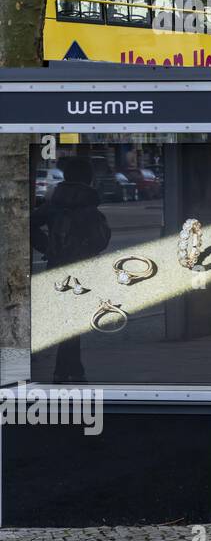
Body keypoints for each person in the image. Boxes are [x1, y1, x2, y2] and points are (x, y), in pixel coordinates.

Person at [29, 156, 113, 382]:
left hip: (55, 266)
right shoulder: (89, 207)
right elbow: (101, 239)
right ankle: (65, 371)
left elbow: (31, 225)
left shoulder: (54, 204)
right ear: (88, 178)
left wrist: (47, 246)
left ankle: (72, 370)